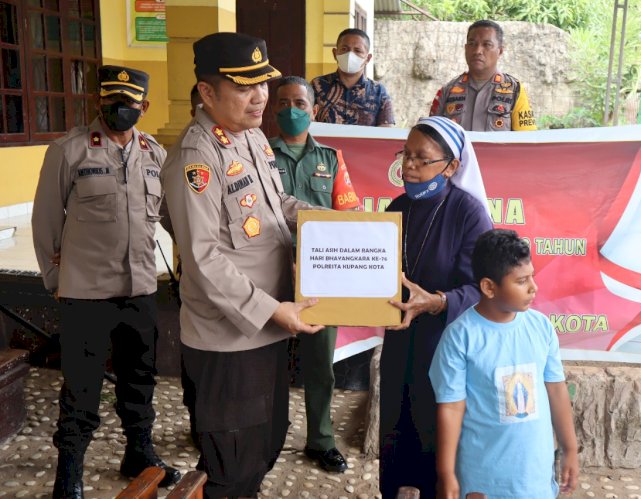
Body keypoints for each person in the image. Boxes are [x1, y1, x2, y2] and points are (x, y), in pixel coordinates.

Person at [161, 32, 323, 498]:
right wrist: (274, 310)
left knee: (266, 443)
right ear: (207, 92)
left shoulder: (250, 136)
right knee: (232, 464)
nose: (260, 98)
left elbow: (276, 206)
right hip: (230, 341)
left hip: (270, 328)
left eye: (263, 84)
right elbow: (202, 258)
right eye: (244, 87)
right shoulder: (198, 156)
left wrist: (326, 221)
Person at [31, 65, 180, 498]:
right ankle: (70, 471)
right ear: (98, 102)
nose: (118, 109)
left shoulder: (155, 153)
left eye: (128, 102)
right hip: (85, 294)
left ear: (143, 107)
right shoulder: (69, 150)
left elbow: (173, 218)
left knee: (141, 380)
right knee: (81, 387)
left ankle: (139, 452)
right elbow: (44, 221)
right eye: (110, 100)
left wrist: (192, 262)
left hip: (140, 290)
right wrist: (57, 277)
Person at [380, 116, 494, 498]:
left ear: (451, 167)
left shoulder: (468, 213)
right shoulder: (395, 208)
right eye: (405, 155)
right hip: (399, 344)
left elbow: (484, 288)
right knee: (397, 439)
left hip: (446, 347)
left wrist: (437, 302)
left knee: (439, 447)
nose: (408, 166)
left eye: (421, 158)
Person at [429, 229, 579, 498]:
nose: (534, 287)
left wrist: (569, 449)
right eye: (521, 280)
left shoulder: (541, 327)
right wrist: (447, 473)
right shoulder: (460, 337)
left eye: (532, 276)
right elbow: (451, 408)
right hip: (482, 480)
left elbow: (556, 390)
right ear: (489, 287)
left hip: (535, 479)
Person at [270, 75, 361, 472]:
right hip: (267, 275)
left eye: (300, 103)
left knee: (320, 364)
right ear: (275, 110)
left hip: (321, 279)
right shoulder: (258, 155)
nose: (292, 110)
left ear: (314, 109)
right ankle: (267, 436)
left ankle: (320, 439)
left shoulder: (331, 159)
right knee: (265, 361)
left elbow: (351, 213)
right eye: (285, 103)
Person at [429, 20, 536, 132]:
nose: (478, 51)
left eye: (487, 45)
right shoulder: (447, 91)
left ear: (500, 51)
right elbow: (431, 138)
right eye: (472, 44)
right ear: (466, 48)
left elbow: (527, 141)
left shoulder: (515, 90)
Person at [311, 28, 395, 127]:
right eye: (344, 49)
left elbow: (386, 130)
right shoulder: (317, 85)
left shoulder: (378, 91)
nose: (350, 55)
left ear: (368, 58)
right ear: (335, 54)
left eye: (357, 50)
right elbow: (306, 122)